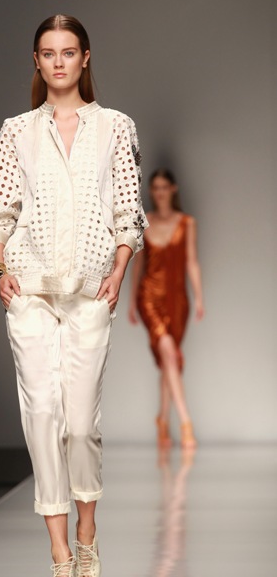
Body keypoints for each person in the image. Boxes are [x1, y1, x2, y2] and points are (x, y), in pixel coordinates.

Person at [0, 14, 147, 577]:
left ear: (85, 58)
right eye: (48, 53)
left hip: (91, 291)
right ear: (36, 61)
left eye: (68, 52)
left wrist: (119, 270)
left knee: (79, 424)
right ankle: (58, 556)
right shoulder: (17, 131)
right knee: (41, 415)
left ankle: (87, 529)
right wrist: (0, 270)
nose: (58, 62)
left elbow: (127, 209)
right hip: (29, 291)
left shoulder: (115, 126)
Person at [128, 169, 204, 450]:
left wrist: (199, 297)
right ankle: (185, 423)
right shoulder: (145, 221)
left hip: (177, 299)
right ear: (151, 191)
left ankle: (162, 420)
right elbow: (138, 263)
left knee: (168, 360)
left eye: (164, 187)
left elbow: (191, 261)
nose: (159, 192)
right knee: (169, 354)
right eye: (155, 187)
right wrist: (131, 302)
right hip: (149, 297)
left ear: (173, 189)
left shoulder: (187, 222)